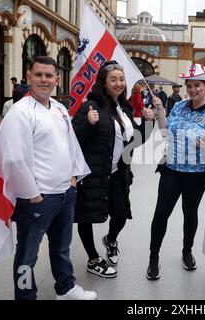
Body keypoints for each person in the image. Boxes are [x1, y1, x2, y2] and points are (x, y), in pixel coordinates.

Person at [0, 56, 96, 300]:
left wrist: (74, 177)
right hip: (37, 199)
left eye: (49, 75)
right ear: (29, 76)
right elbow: (14, 158)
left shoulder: (60, 108)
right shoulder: (20, 112)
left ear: (56, 79)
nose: (44, 79)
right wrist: (33, 193)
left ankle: (65, 288)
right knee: (27, 255)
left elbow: (71, 144)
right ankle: (25, 295)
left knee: (61, 248)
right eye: (39, 74)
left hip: (65, 193)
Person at [72, 60, 155, 278]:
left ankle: (110, 240)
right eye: (113, 80)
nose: (118, 83)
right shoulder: (90, 107)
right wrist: (87, 124)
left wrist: (148, 123)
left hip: (118, 173)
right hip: (93, 174)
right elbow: (73, 140)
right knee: (87, 217)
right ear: (103, 83)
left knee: (120, 215)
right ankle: (92, 259)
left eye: (121, 79)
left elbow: (136, 140)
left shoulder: (124, 107)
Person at [146, 63, 205, 280]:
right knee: (161, 213)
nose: (193, 89)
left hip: (197, 173)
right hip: (172, 169)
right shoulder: (179, 107)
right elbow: (165, 132)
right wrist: (159, 111)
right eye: (190, 85)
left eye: (197, 85)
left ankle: (187, 251)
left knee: (190, 213)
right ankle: (153, 257)